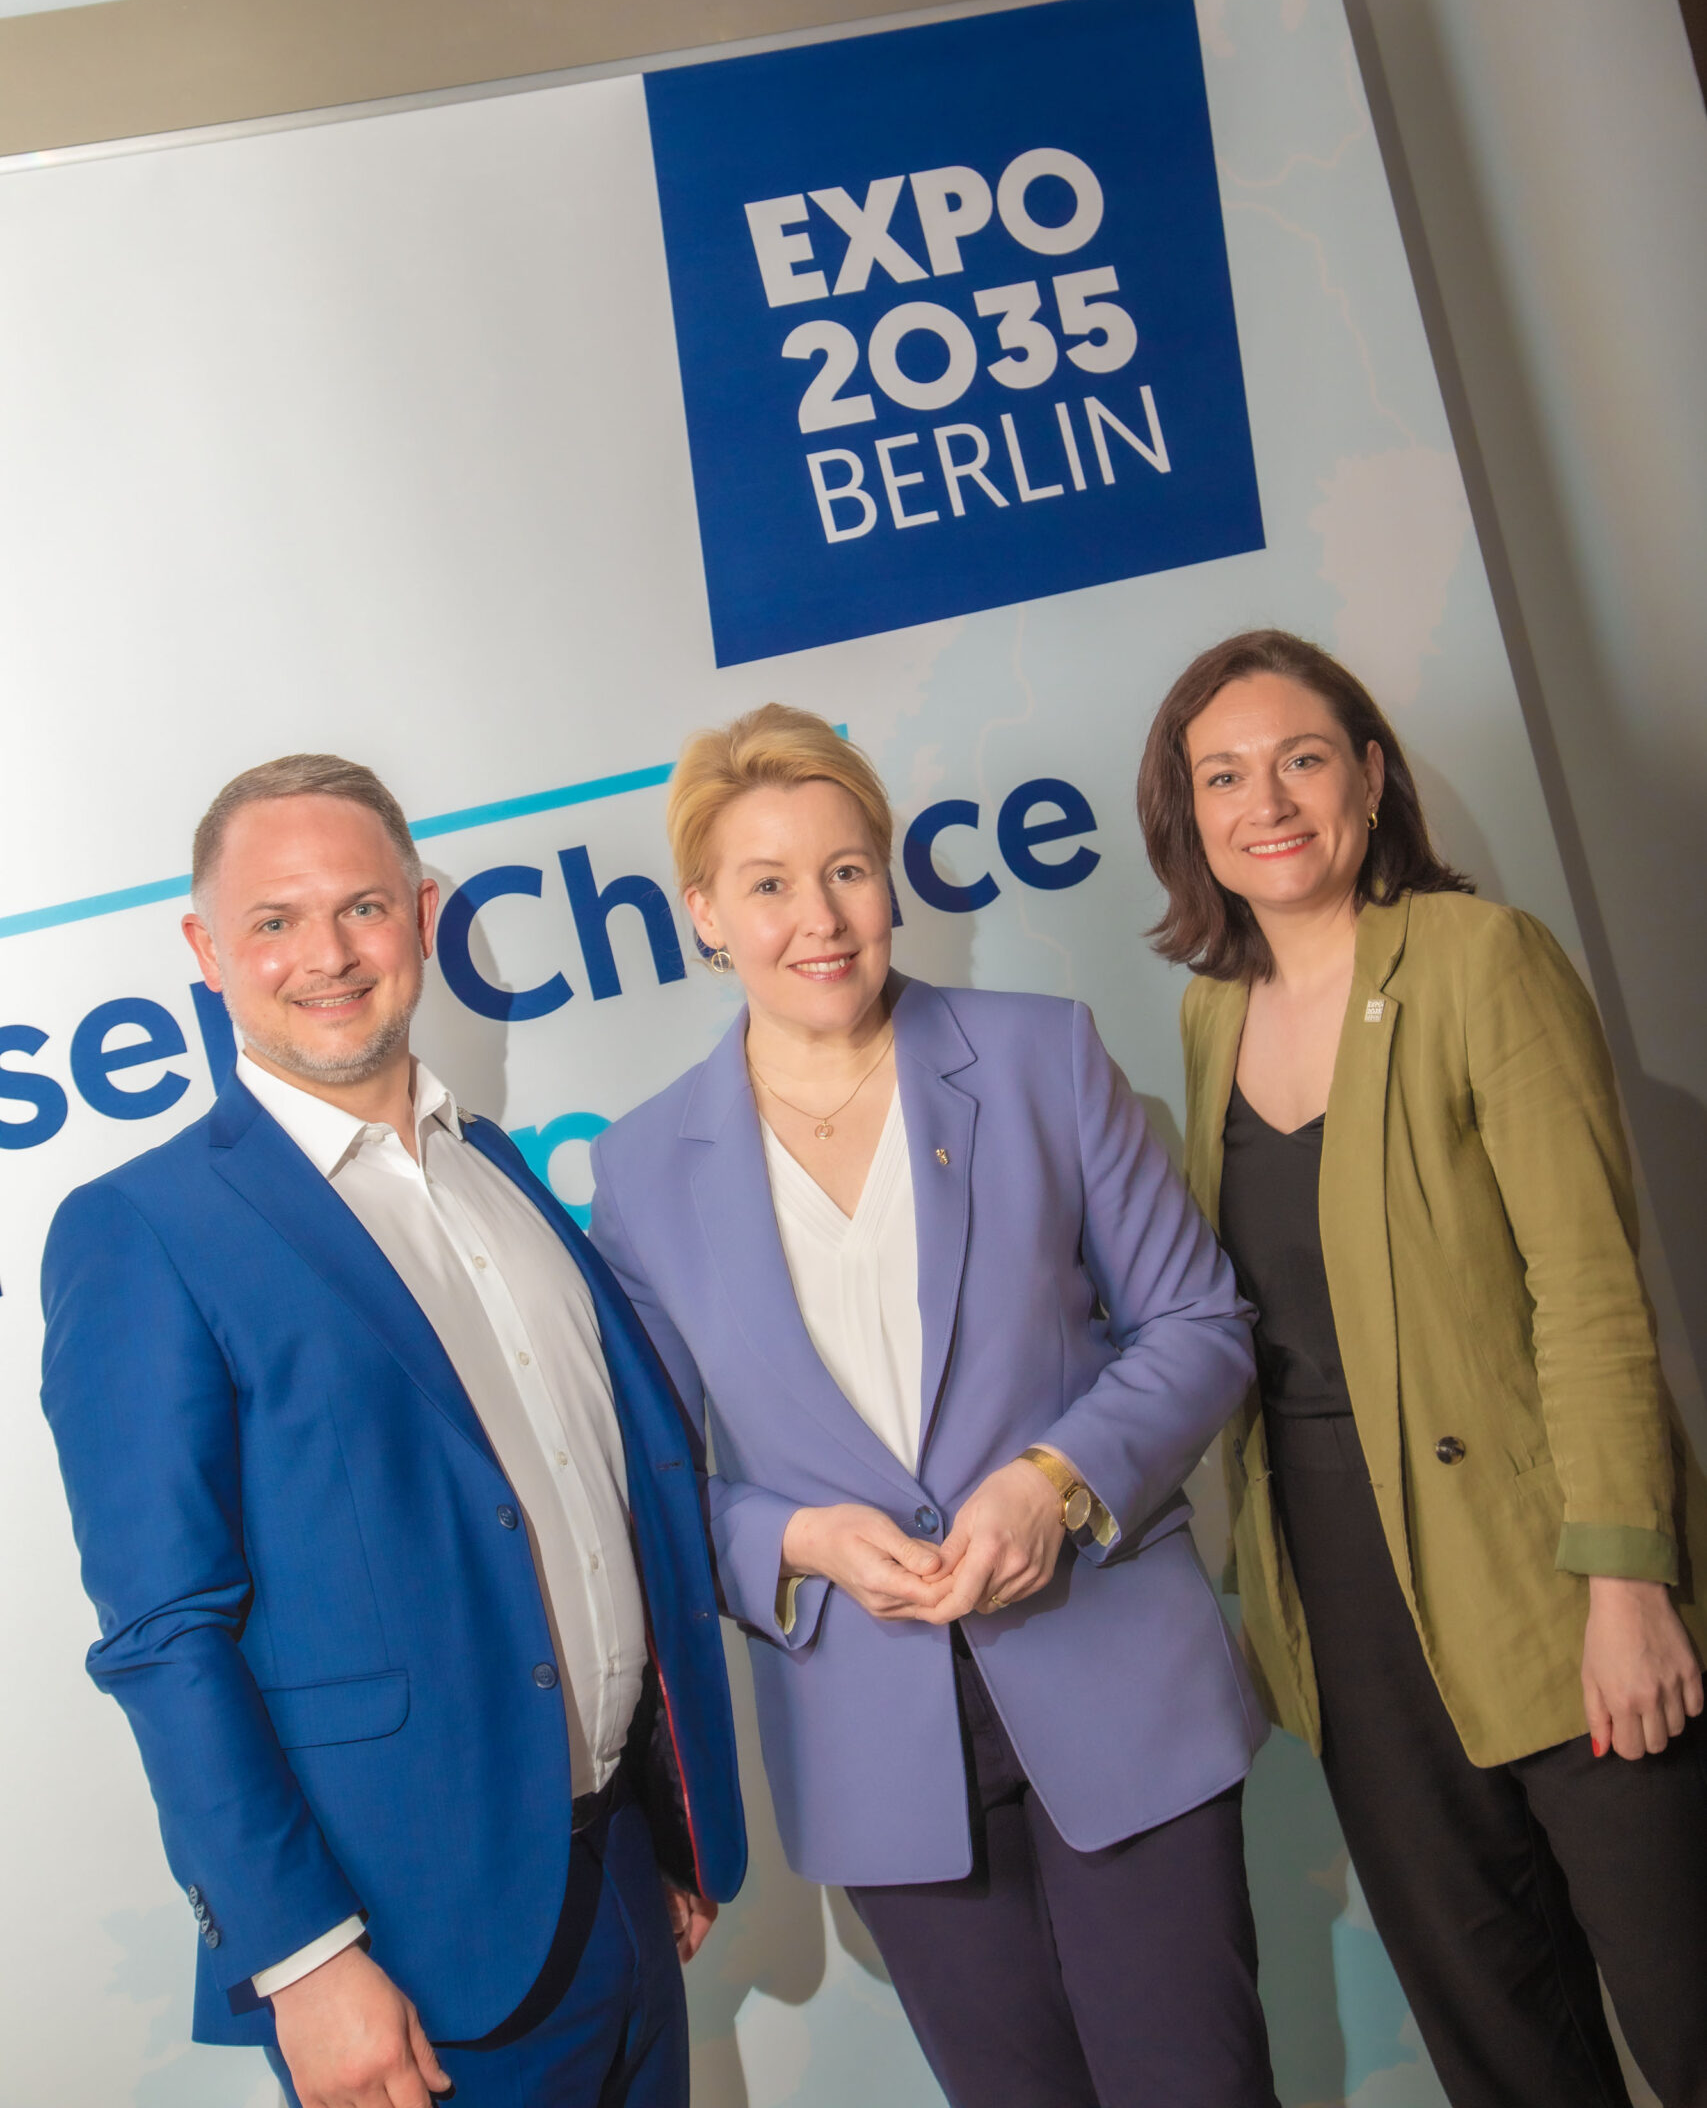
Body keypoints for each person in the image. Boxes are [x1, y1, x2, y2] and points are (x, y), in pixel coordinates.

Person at [588, 703, 1279, 2108]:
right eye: (769, 884)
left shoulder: (1040, 1057)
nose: (820, 918)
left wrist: (1057, 1481)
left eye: (848, 868)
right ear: (703, 913)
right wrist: (797, 1542)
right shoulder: (644, 1170)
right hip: (873, 1741)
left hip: (1114, 1678)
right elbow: (649, 1489)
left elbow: (1200, 1325)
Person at [40, 755, 745, 2108]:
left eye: (361, 907)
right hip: (406, 1962)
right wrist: (303, 1962)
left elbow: (602, 1498)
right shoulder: (142, 1231)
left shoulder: (497, 1171)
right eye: (274, 921)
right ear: (207, 951)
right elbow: (165, 1638)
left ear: (420, 919)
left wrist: (665, 1819)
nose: (327, 955)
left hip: (625, 1884)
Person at [1137, 628, 1707, 2108]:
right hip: (1345, 1608)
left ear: (1372, 778)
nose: (1268, 801)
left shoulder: (1479, 960)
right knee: (1502, 2048)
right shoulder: (1209, 1013)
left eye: (1302, 759)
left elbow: (1591, 1294)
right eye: (1223, 776)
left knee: (1690, 2010)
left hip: (1549, 1576)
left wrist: (1628, 1585)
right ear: (1188, 816)